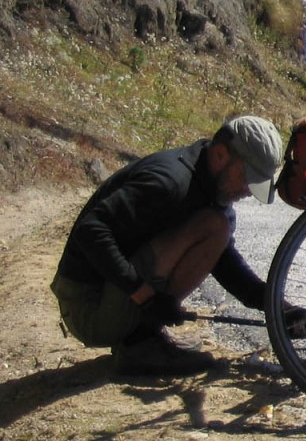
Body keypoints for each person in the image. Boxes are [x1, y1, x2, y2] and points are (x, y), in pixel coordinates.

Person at [51, 115, 288, 376]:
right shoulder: (169, 182)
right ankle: (139, 344)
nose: (248, 192)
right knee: (215, 225)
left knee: (217, 225)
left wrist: (278, 307)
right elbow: (91, 231)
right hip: (87, 307)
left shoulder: (210, 187)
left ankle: (142, 337)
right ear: (221, 155)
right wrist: (144, 296)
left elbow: (226, 265)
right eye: (247, 178)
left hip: (111, 298)